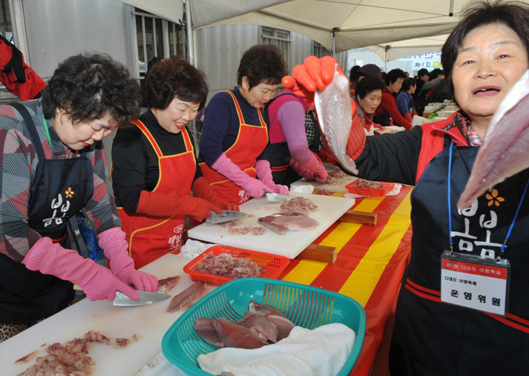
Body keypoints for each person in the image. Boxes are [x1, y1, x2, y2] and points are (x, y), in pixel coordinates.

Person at [284, 1, 529, 374]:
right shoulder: (431, 140)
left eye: (503, 54)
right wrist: (332, 105)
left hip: (511, 349)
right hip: (425, 338)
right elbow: (361, 156)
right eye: (467, 61)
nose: (483, 70)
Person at [0, 53, 159, 353]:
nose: (100, 137)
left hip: (50, 278)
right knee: (16, 365)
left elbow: (102, 207)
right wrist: (87, 272)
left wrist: (121, 263)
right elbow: (8, 230)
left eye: (108, 129)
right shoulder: (7, 131)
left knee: (68, 358)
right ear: (65, 105)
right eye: (97, 126)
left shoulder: (86, 141)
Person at [111, 56, 236, 268]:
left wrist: (214, 200)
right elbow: (131, 199)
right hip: (137, 252)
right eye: (182, 107)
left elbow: (195, 175)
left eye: (195, 109)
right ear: (160, 98)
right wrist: (188, 204)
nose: (188, 116)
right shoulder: (131, 135)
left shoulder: (183, 132)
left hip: (174, 242)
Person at [198, 44, 289, 205]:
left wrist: (269, 183)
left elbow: (261, 153)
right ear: (246, 82)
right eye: (264, 90)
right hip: (217, 199)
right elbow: (209, 150)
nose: (268, 97)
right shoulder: (223, 103)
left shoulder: (259, 109)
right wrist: (246, 181)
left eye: (273, 91)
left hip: (245, 199)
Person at [264, 86, 328, 186]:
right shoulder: (292, 105)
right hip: (267, 175)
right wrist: (319, 169)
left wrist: (308, 172)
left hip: (272, 172)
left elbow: (287, 151)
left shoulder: (286, 99)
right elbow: (299, 150)